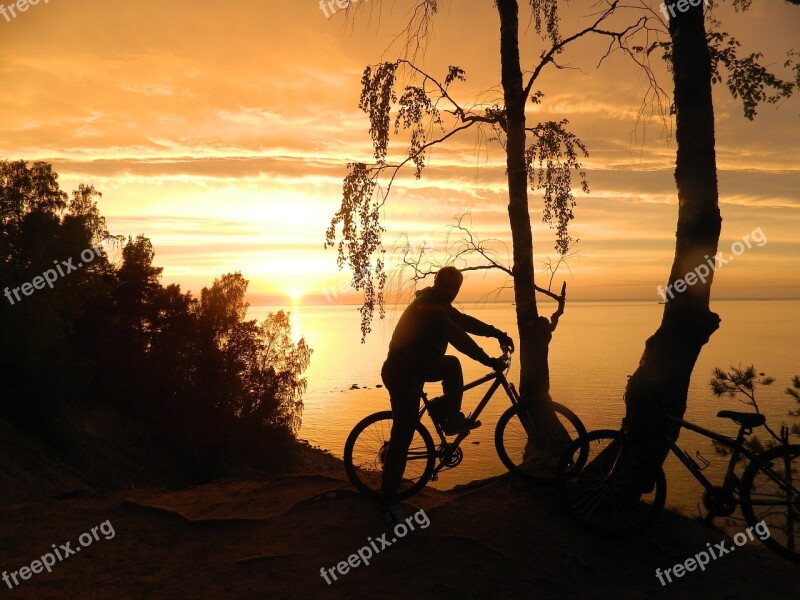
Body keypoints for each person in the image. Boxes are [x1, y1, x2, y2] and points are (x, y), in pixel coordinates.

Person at [380, 266, 514, 504]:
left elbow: (464, 321)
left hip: (419, 367)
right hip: (402, 375)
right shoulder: (430, 307)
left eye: (456, 288)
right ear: (437, 283)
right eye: (448, 287)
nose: (452, 292)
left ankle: (448, 415)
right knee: (403, 436)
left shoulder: (438, 303)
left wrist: (497, 334)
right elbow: (459, 337)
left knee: (451, 365)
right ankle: (387, 500)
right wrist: (488, 361)